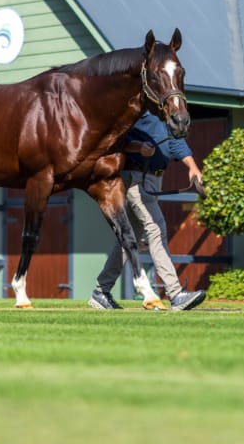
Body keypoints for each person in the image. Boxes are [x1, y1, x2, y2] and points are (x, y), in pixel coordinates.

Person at [89, 111, 207, 311]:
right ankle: (175, 293)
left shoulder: (165, 114)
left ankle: (101, 291)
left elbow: (176, 143)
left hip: (152, 180)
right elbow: (117, 141)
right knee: (156, 229)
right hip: (136, 177)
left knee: (128, 238)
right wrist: (138, 148)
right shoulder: (134, 112)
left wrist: (192, 167)